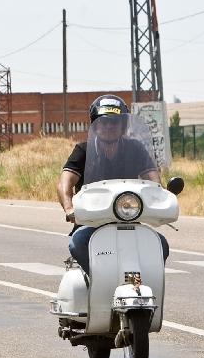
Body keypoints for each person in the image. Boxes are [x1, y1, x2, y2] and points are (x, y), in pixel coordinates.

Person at [56, 94, 168, 273]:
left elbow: (153, 178)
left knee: (160, 244)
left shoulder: (135, 149)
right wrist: (69, 209)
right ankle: (96, 282)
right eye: (103, 122)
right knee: (78, 243)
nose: (109, 126)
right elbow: (65, 183)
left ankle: (142, 285)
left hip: (128, 222)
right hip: (91, 223)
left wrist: (160, 196)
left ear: (123, 126)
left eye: (114, 122)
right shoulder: (83, 150)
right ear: (95, 125)